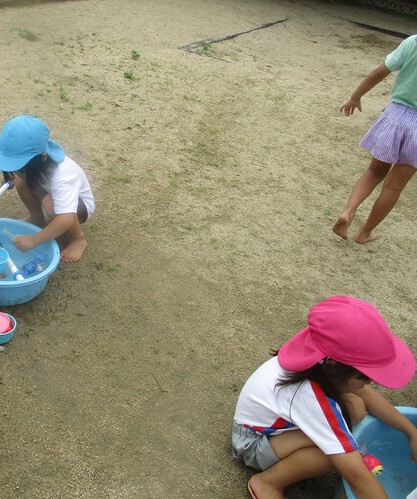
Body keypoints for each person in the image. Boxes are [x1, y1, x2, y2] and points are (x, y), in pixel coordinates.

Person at [232, 296, 417, 499]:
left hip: (273, 426)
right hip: (251, 443)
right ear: (336, 367)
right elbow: (356, 477)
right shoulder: (310, 396)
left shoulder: (320, 356)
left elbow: (364, 394)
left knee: (355, 409)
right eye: (364, 377)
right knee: (337, 452)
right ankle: (268, 483)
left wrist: (411, 432)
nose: (369, 383)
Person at [332, 35, 417, 244]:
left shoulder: (413, 42)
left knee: (374, 171)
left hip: (395, 116)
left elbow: (376, 75)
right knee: (393, 187)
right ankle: (364, 233)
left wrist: (355, 97)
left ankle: (348, 211)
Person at [0, 115, 95, 262]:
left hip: (79, 208)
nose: (16, 171)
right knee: (20, 181)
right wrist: (15, 175)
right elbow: (25, 175)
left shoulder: (63, 175)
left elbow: (66, 218)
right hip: (50, 193)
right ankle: (37, 219)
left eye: (19, 167)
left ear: (42, 158)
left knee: (55, 209)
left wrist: (34, 240)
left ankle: (78, 238)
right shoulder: (38, 165)